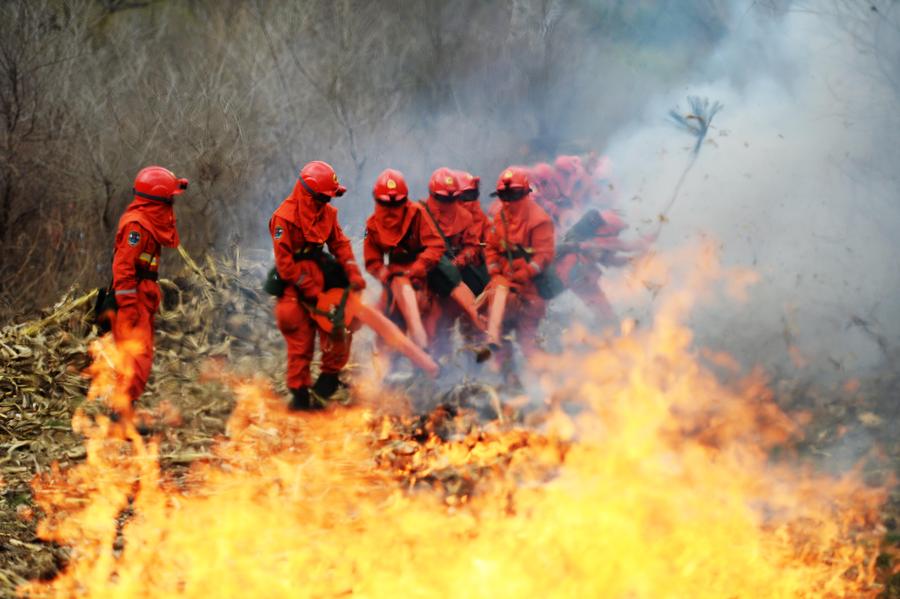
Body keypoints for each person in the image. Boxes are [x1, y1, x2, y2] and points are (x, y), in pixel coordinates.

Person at [269, 160, 366, 411]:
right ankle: (299, 396)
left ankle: (327, 383)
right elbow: (284, 264)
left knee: (341, 328)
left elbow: (340, 244)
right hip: (295, 286)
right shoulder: (283, 218)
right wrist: (310, 291)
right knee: (299, 342)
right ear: (308, 193)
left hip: (323, 278)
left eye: (329, 198)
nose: (326, 203)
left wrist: (353, 272)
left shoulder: (328, 214)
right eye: (323, 198)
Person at [111, 166, 188, 422]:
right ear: (158, 199)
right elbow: (123, 268)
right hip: (134, 298)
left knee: (138, 357)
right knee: (136, 356)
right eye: (170, 198)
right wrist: (129, 305)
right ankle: (120, 416)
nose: (172, 203)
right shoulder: (137, 227)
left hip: (144, 295)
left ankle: (123, 413)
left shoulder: (147, 223)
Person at [363, 168, 445, 359]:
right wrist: (385, 275)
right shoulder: (373, 224)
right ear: (377, 200)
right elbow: (372, 260)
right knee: (384, 319)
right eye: (385, 203)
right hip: (393, 278)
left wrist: (418, 268)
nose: (391, 208)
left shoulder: (417, 213)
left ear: (404, 200)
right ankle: (385, 370)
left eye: (397, 203)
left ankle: (429, 357)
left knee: (434, 317)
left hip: (422, 275)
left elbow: (435, 245)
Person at [483, 166, 555, 376]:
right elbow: (491, 247)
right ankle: (511, 386)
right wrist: (495, 270)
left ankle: (550, 385)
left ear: (525, 193)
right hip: (504, 287)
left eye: (513, 196)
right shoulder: (500, 217)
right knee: (502, 341)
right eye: (504, 196)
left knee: (527, 342)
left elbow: (544, 256)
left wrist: (524, 274)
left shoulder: (539, 220)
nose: (507, 201)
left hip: (531, 292)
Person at [419, 167, 480, 359]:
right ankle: (426, 362)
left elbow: (472, 246)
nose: (447, 203)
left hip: (453, 274)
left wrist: (458, 261)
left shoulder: (465, 217)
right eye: (443, 198)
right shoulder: (418, 214)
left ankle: (472, 358)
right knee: (432, 319)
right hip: (426, 276)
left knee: (467, 311)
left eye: (452, 198)